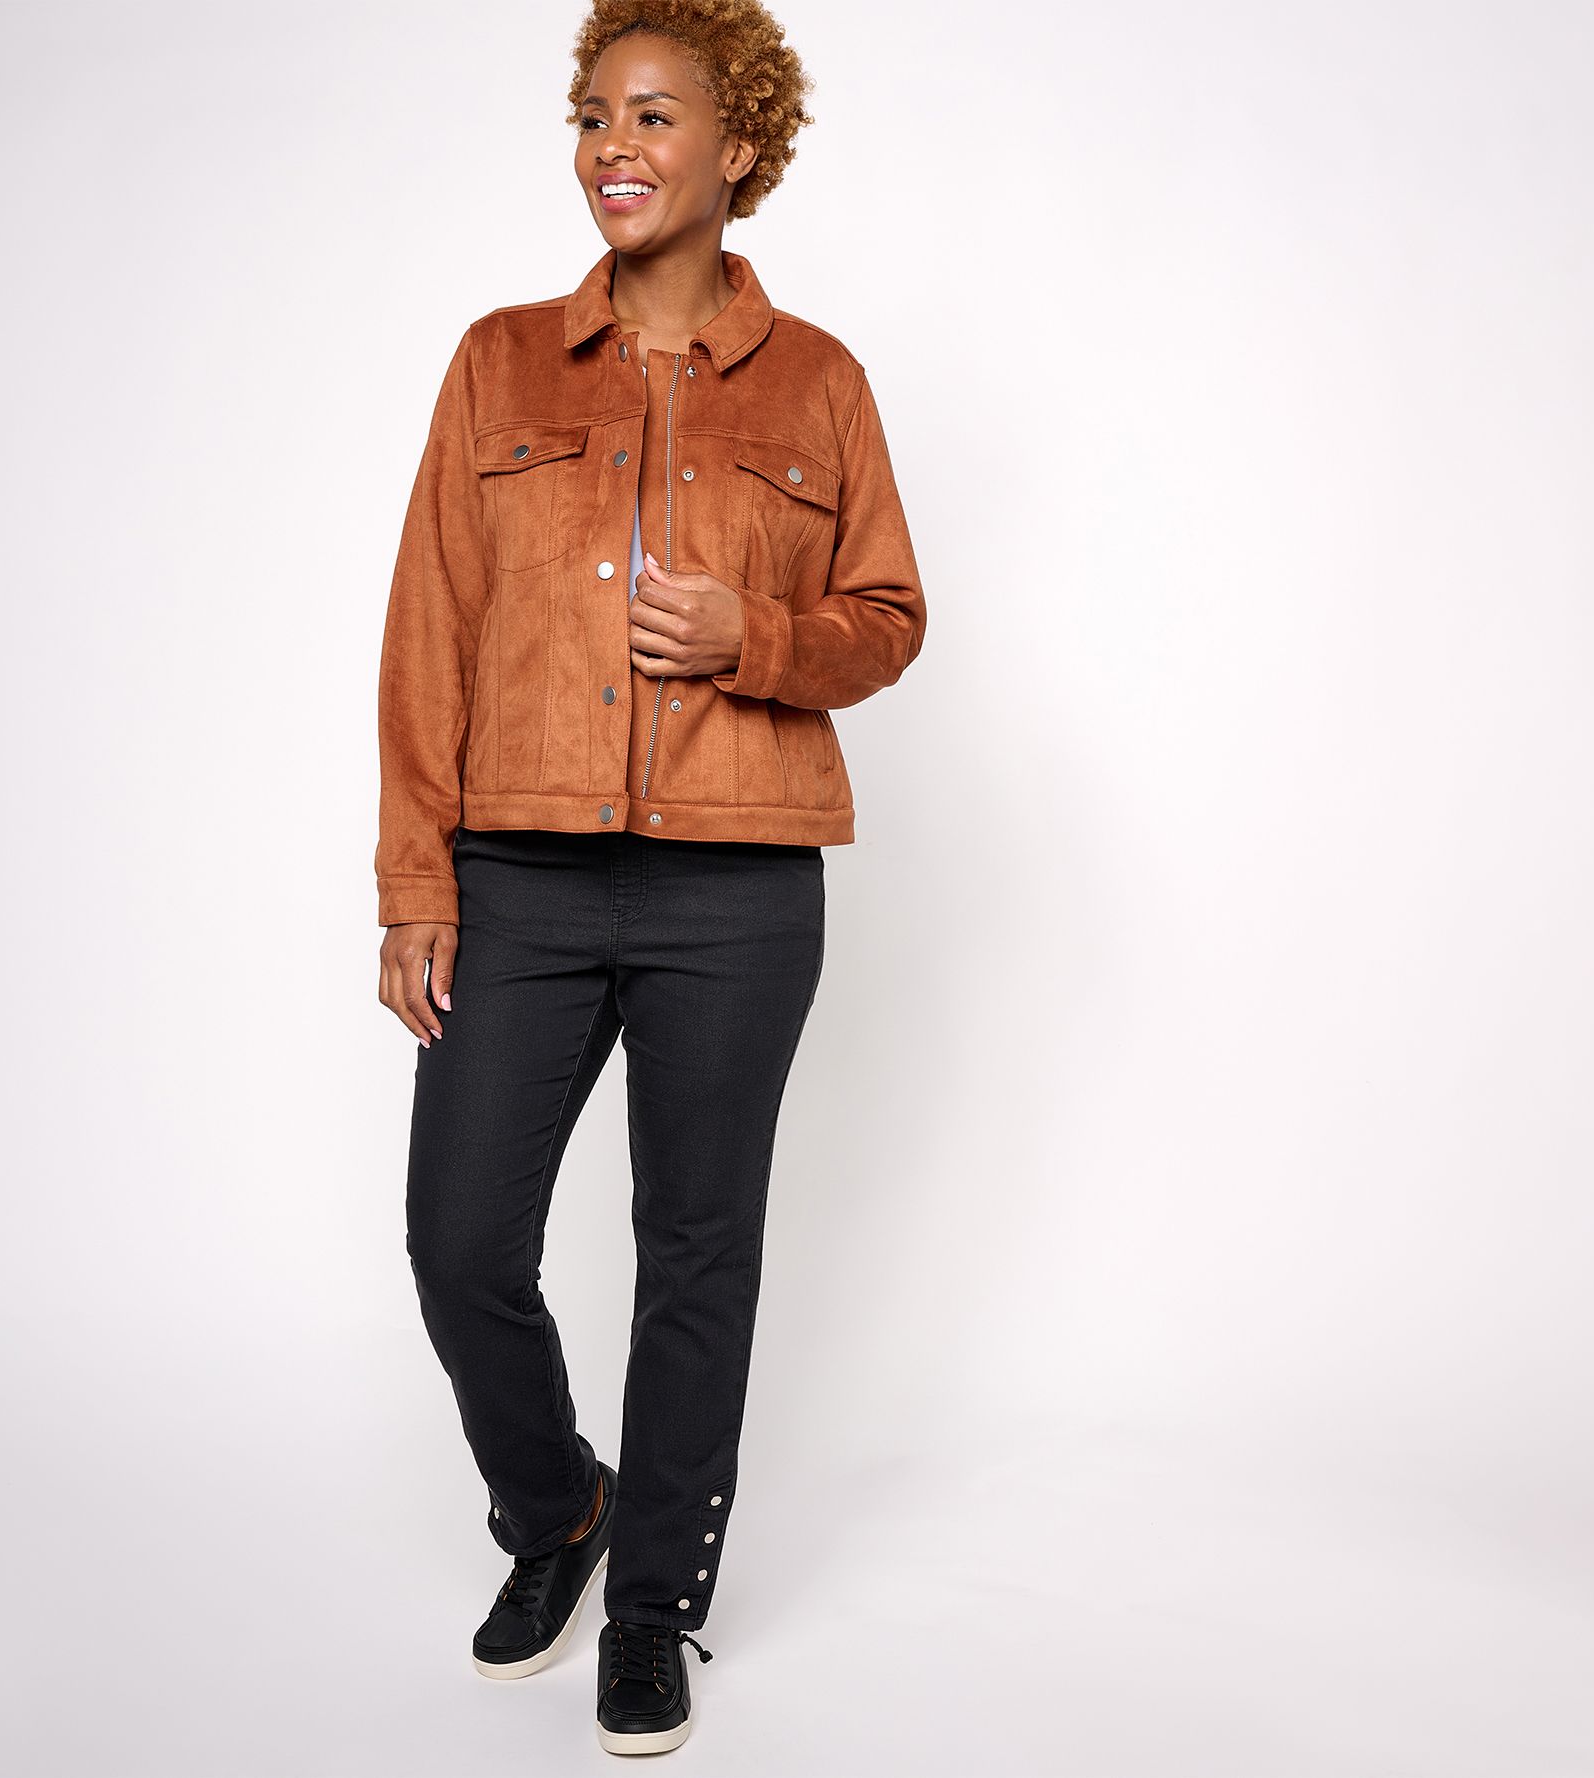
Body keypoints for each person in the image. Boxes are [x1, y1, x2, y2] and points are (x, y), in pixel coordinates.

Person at [373, 0, 926, 1755]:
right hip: (518, 872)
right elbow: (430, 628)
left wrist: (752, 635)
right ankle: (560, 1509)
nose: (614, 144)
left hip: (737, 890)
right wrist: (416, 877)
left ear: (739, 147)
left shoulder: (821, 382)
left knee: (697, 1251)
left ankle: (654, 1604)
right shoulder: (499, 364)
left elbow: (888, 619)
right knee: (460, 1236)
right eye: (596, 114)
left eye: (656, 114)